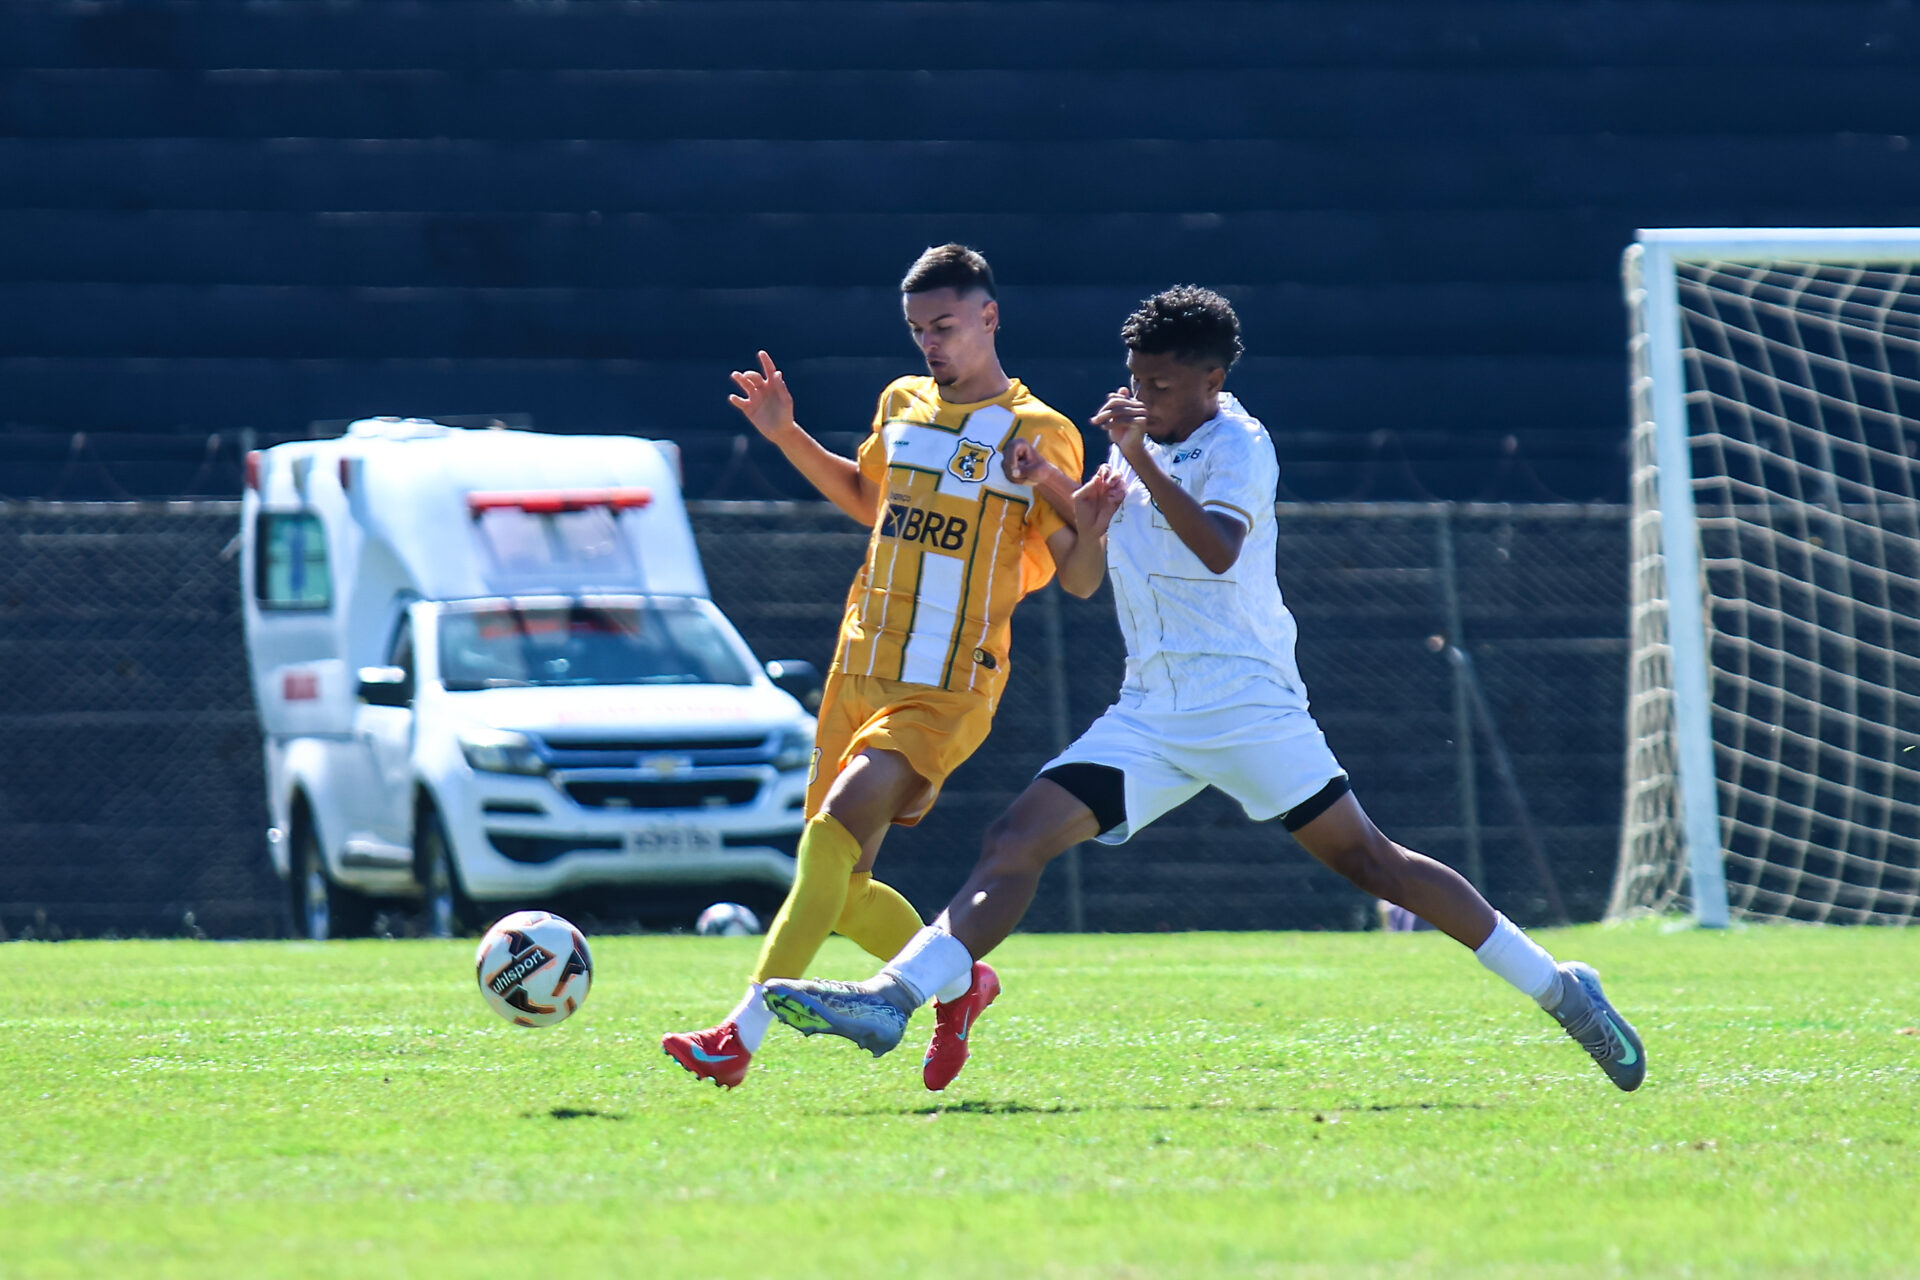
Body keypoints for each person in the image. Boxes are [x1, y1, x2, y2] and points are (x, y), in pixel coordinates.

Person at [761, 285, 1647, 1093]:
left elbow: (1215, 548)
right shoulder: (1137, 445)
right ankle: (893, 997)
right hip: (1150, 710)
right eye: (1136, 379)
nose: (1145, 397)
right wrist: (1061, 490)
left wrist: (1134, 458)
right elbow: (1101, 546)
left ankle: (1561, 986)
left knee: (1373, 863)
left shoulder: (1239, 445)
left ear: (1214, 378)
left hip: (1249, 705)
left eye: (1166, 384)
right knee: (1015, 838)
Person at [662, 244, 1089, 1091]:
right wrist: (786, 435)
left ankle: (738, 1034)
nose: (930, 343)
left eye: (945, 325)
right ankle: (962, 984)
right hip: (859, 665)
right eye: (917, 330)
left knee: (833, 832)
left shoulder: (1039, 434)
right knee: (844, 888)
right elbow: (869, 501)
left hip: (946, 684)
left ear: (988, 317)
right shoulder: (902, 403)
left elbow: (1078, 574)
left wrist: (1058, 491)